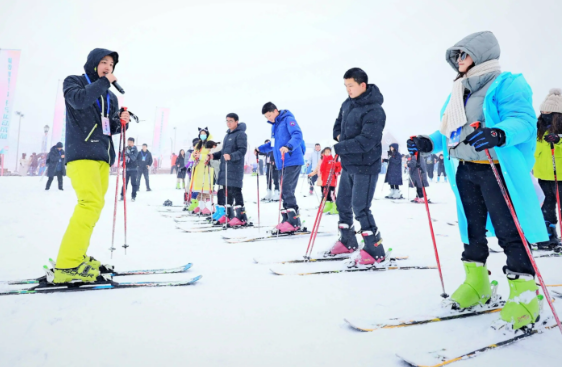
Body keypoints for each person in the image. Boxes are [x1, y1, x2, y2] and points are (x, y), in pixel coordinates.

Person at [406, 31, 548, 330]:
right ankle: (477, 284)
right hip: (466, 169)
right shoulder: (459, 91)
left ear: (481, 54)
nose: (459, 60)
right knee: (471, 230)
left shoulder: (508, 83)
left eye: (464, 54)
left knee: (510, 231)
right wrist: (427, 142)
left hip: (496, 169)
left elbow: (523, 121)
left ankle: (525, 294)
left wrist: (498, 133)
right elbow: (449, 132)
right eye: (456, 56)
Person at [53, 48, 130, 283]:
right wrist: (105, 82)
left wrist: (123, 122)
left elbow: (112, 127)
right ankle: (67, 265)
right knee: (89, 204)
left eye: (112, 65)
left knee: (94, 209)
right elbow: (78, 101)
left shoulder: (111, 96)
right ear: (94, 63)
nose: (109, 67)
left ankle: (77, 256)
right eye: (104, 62)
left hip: (102, 157)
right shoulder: (74, 82)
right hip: (82, 154)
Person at [327, 67, 387, 266]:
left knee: (360, 208)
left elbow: (366, 141)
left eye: (351, 86)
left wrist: (340, 145)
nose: (348, 90)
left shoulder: (375, 110)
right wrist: (338, 137)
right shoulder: (347, 104)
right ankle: (347, 240)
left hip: (366, 165)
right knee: (342, 204)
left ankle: (374, 248)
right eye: (346, 86)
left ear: (363, 85)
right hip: (348, 164)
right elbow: (338, 125)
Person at [256, 102, 305, 233]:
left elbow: (297, 135)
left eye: (270, 115)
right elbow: (272, 145)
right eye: (266, 117)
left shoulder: (288, 119)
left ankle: (294, 221)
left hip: (292, 159)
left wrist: (289, 146)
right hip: (282, 162)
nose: (269, 119)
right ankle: (287, 219)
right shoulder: (274, 127)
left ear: (276, 111)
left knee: (287, 189)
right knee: (284, 191)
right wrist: (260, 149)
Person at [533, 88, 562, 250]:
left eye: (548, 111)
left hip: (561, 175)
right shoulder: (538, 127)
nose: (544, 113)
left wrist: (559, 140)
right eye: (542, 110)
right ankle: (549, 235)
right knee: (546, 206)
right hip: (543, 175)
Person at [209, 113, 248, 226]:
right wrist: (213, 156)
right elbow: (223, 153)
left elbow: (242, 150)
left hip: (235, 168)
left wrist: (231, 156)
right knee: (227, 193)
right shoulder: (227, 135)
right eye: (227, 121)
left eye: (231, 121)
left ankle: (241, 216)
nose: (228, 123)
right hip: (225, 168)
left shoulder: (241, 134)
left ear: (236, 121)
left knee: (236, 191)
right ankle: (229, 215)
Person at [188, 128, 214, 213]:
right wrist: (194, 155)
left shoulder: (211, 144)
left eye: (204, 133)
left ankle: (209, 207)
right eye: (201, 134)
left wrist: (200, 156)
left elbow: (210, 156)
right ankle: (201, 206)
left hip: (206, 169)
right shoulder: (198, 144)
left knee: (206, 189)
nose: (202, 135)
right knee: (199, 189)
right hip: (198, 169)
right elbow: (193, 155)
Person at [309, 147, 341, 214]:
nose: (326, 153)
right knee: (325, 193)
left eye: (328, 152)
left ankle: (335, 207)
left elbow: (338, 166)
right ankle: (328, 205)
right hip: (323, 179)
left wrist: (337, 171)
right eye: (325, 152)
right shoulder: (322, 160)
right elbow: (319, 168)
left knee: (331, 194)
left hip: (330, 180)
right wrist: (313, 173)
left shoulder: (332, 160)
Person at [120, 137, 138, 202]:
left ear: (133, 143)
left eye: (130, 142)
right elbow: (121, 157)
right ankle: (122, 195)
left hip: (133, 169)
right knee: (124, 183)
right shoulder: (125, 149)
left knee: (133, 183)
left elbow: (134, 158)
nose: (129, 143)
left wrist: (129, 153)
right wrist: (122, 161)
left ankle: (133, 196)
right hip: (126, 169)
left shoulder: (135, 149)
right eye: (128, 142)